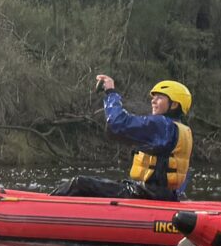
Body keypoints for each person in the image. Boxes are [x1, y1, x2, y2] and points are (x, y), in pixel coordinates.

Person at [52, 75, 193, 200]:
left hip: (146, 194)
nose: (153, 101)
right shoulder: (182, 130)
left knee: (79, 183)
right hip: (164, 195)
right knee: (107, 184)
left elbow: (118, 123)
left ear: (174, 104)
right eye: (153, 97)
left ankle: (47, 206)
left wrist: (110, 93)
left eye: (160, 98)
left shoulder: (162, 125)